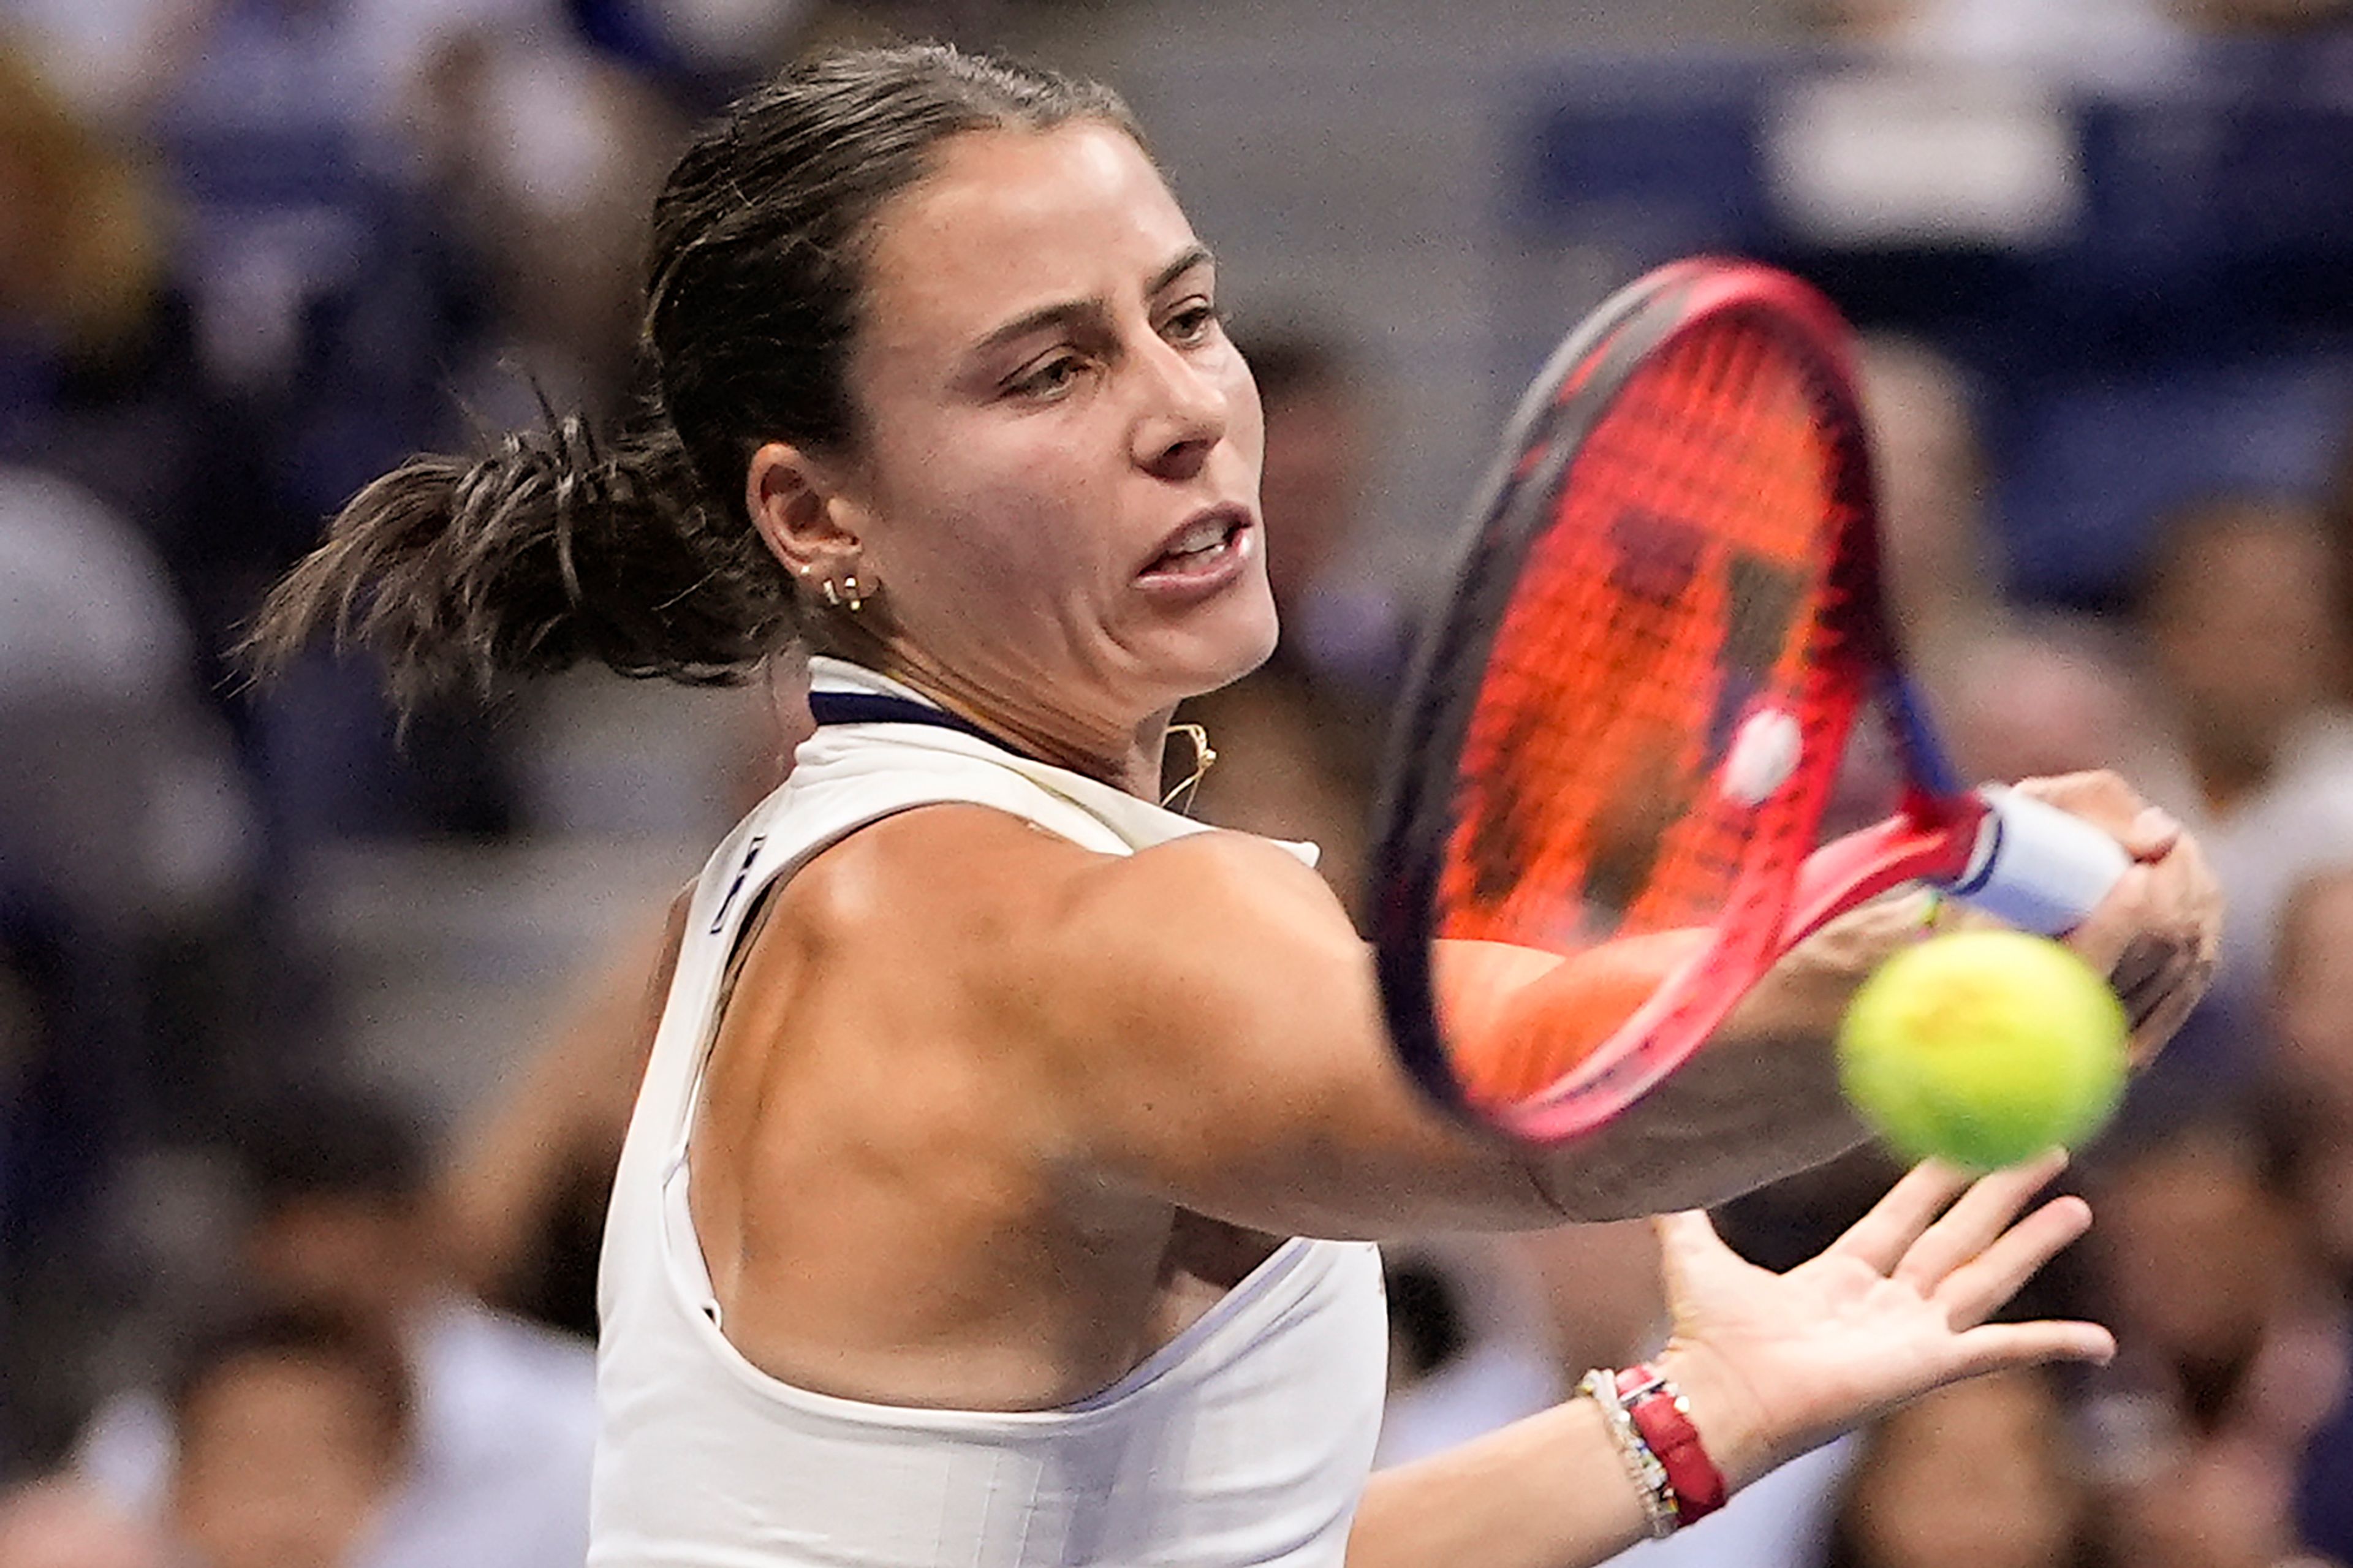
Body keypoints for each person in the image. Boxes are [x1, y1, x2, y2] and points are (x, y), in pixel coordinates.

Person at [241, 44, 2221, 1568]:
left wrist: (1691, 1419)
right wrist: (1955, 967)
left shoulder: (805, 883)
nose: (1187, 407)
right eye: (1047, 373)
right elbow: (1526, 1109)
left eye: (1183, 318)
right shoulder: (1026, 921)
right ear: (816, 512)